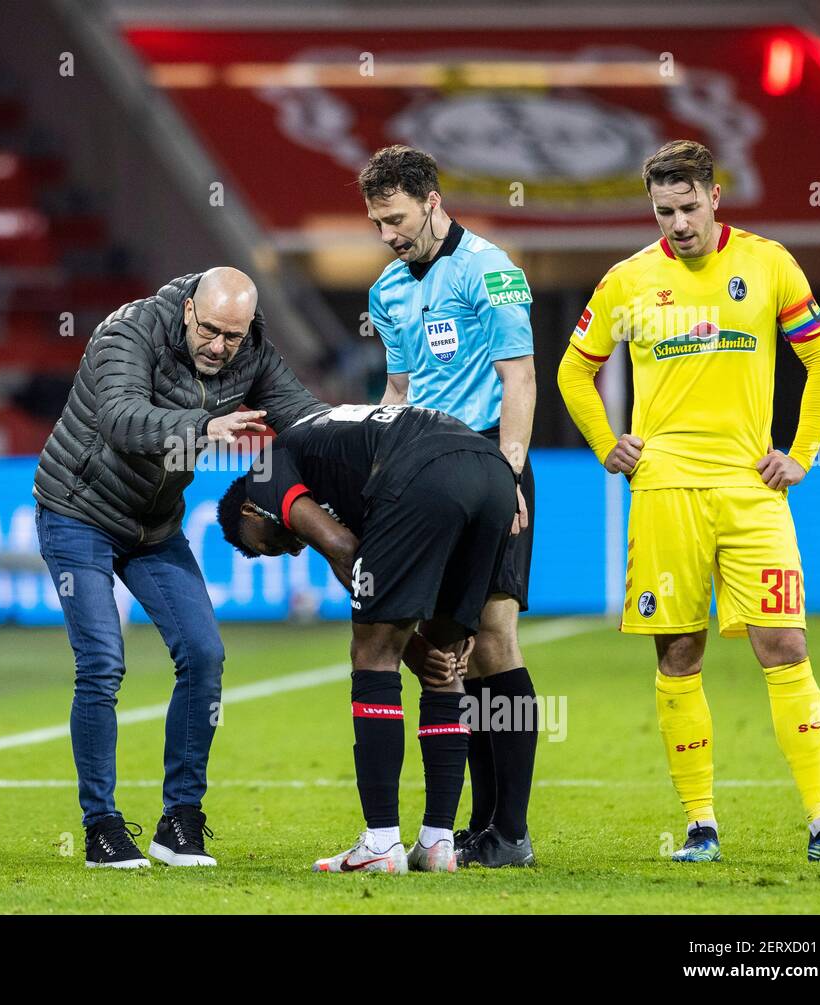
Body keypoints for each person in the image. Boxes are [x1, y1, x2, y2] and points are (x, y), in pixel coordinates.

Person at [557, 139, 820, 867]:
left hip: (752, 491)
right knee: (680, 651)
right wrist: (608, 443)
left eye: (689, 207)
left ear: (715, 196)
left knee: (785, 644)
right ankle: (701, 825)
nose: (678, 224)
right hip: (664, 492)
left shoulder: (767, 263)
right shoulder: (628, 281)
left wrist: (800, 449)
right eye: (664, 211)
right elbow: (575, 370)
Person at [33, 267, 324, 868]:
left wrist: (366, 438)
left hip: (154, 524)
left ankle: (179, 823)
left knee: (205, 655)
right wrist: (205, 426)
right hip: (76, 511)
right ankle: (102, 828)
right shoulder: (128, 332)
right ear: (189, 310)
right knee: (103, 662)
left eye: (233, 337)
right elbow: (120, 418)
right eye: (211, 331)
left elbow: (303, 415)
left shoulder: (252, 352)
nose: (220, 348)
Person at [217, 402, 517, 873]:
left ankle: (380, 843)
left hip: (423, 474)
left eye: (268, 543)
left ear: (252, 509)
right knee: (446, 663)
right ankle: (438, 843)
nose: (289, 549)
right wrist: (420, 647)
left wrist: (405, 647)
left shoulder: (264, 471)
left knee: (372, 654)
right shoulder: (334, 459)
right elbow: (366, 570)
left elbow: (342, 548)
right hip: (493, 472)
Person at [360, 145, 538, 867]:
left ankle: (511, 829)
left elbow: (519, 377)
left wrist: (512, 477)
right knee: (443, 648)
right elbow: (399, 393)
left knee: (493, 637)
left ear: (431, 200)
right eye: (376, 222)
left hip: (491, 459)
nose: (386, 235)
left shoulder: (491, 271)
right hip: (422, 476)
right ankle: (479, 824)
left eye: (395, 219)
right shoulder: (387, 291)